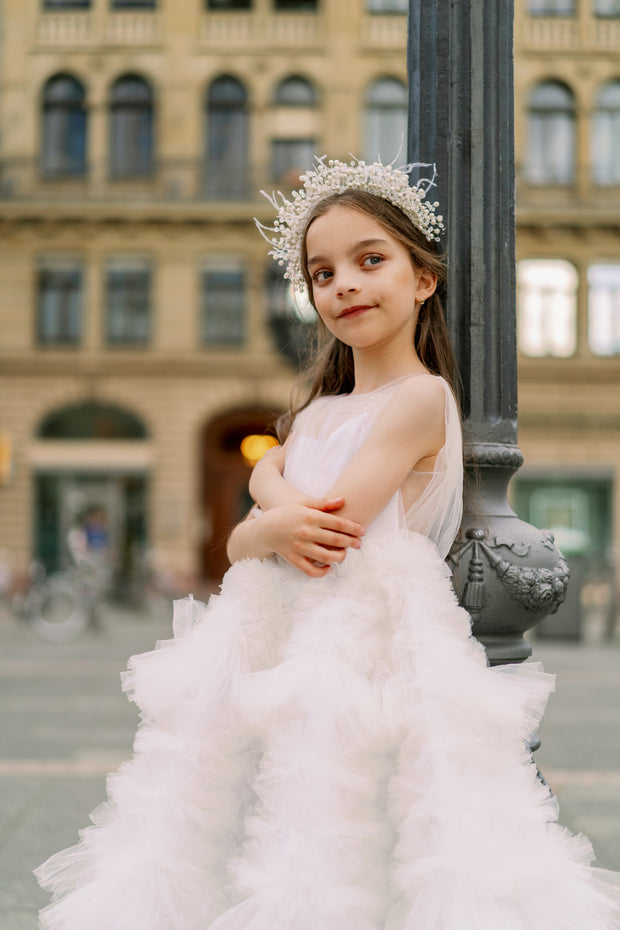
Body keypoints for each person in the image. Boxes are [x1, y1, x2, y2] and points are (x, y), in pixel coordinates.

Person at [35, 157, 620, 930]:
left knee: (347, 812)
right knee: (247, 805)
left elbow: (332, 526)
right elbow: (249, 549)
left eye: (369, 260)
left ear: (423, 280)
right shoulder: (315, 412)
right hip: (279, 638)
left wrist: (266, 489)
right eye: (321, 272)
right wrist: (267, 503)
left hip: (360, 644)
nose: (342, 283)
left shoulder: (419, 397)